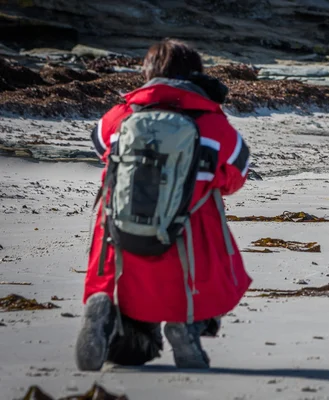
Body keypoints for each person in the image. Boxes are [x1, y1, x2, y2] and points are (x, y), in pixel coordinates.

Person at [75, 39, 252, 371]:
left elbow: (99, 143)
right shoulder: (211, 122)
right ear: (195, 75)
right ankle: (188, 325)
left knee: (128, 348)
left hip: (119, 242)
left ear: (148, 72)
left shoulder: (121, 114)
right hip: (184, 244)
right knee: (222, 274)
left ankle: (100, 304)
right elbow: (236, 175)